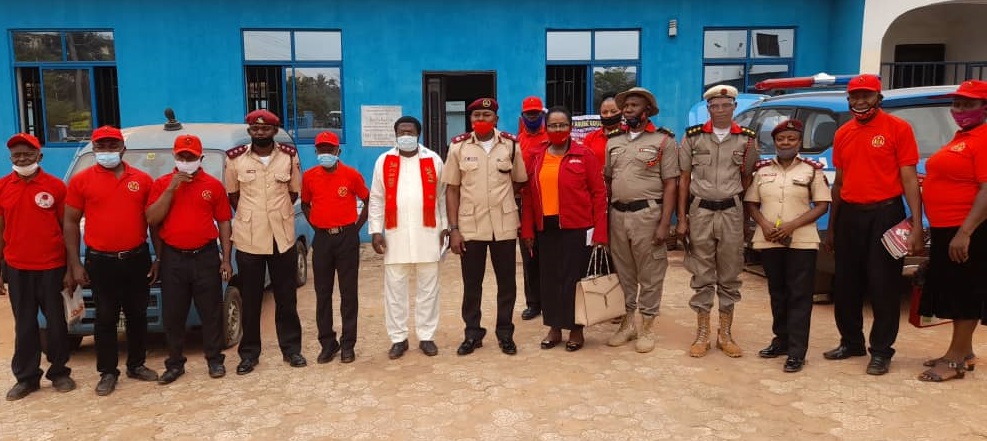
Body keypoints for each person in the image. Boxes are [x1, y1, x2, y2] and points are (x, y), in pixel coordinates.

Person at [823, 74, 923, 376]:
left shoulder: (898, 129)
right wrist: (832, 225)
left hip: (886, 215)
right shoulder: (843, 133)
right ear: (848, 100)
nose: (860, 101)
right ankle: (851, 341)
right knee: (845, 283)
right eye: (855, 96)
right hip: (851, 215)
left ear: (878, 98)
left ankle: (881, 351)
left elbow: (908, 179)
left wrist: (917, 225)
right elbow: (839, 182)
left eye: (866, 95)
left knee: (884, 286)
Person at [64, 125, 159, 396]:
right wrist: (75, 263)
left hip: (136, 258)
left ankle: (136, 364)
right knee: (105, 318)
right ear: (94, 149)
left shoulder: (142, 179)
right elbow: (70, 222)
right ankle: (107, 372)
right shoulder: (81, 180)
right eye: (101, 147)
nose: (107, 151)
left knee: (137, 315)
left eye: (112, 146)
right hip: (100, 261)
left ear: (123, 149)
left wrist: (158, 258)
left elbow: (153, 223)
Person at [677, 85, 758, 358]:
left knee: (730, 271)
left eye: (726, 105)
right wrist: (682, 218)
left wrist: (746, 219)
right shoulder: (694, 138)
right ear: (708, 109)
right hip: (700, 211)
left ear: (734, 107)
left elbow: (747, 180)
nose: (720, 110)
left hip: (732, 212)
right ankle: (702, 333)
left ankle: (726, 333)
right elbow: (683, 180)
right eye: (715, 106)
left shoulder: (746, 141)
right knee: (702, 272)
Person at [744, 120, 831, 373]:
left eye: (791, 139)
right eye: (781, 139)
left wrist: (792, 225)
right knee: (777, 293)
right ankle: (780, 341)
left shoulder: (811, 170)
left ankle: (796, 351)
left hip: (801, 240)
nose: (786, 143)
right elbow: (751, 203)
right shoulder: (762, 171)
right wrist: (764, 224)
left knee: (800, 296)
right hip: (769, 239)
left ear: (799, 142)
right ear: (775, 142)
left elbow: (822, 204)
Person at [146, 134, 233, 384]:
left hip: (205, 256)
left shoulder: (213, 186)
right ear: (174, 157)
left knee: (211, 312)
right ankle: (174, 364)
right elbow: (152, 219)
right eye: (182, 156)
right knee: (174, 314)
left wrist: (225, 258)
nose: (186, 161)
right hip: (174, 258)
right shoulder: (162, 183)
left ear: (200, 158)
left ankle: (215, 360)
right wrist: (172, 188)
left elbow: (224, 222)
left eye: (191, 157)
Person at [915, 80, 987, 382]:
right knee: (955, 288)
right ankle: (963, 351)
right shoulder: (964, 137)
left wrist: (966, 231)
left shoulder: (983, 139)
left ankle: (956, 361)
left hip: (968, 228)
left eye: (968, 105)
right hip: (948, 227)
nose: (959, 110)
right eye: (957, 104)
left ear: (984, 108)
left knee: (964, 292)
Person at [444, 97, 527, 356]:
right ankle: (472, 333)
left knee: (507, 284)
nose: (480, 120)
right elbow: (452, 190)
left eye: (486, 115)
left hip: (503, 225)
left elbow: (519, 182)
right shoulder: (458, 147)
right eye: (476, 115)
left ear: (496, 120)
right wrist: (454, 228)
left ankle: (505, 333)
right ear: (471, 120)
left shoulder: (511, 146)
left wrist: (500, 200)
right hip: (470, 227)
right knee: (472, 284)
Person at [224, 109, 306, 374]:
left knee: (286, 298)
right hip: (249, 239)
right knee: (251, 299)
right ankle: (249, 354)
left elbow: (293, 192)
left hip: (281, 238)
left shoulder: (289, 156)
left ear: (274, 130)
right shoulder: (235, 159)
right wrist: (255, 215)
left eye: (265, 129)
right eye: (255, 129)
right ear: (250, 131)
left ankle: (292, 350)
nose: (260, 133)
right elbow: (233, 195)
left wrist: (275, 214)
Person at [520, 106, 607, 352]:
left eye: (562, 125)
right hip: (545, 228)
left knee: (573, 280)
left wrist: (600, 232)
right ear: (546, 129)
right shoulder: (537, 156)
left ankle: (576, 328)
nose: (557, 129)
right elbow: (528, 196)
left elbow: (599, 194)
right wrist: (527, 230)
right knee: (548, 279)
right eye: (553, 125)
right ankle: (554, 327)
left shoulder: (585, 154)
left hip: (577, 227)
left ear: (570, 128)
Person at [603, 87, 679, 353]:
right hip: (617, 214)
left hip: (648, 215)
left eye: (633, 106)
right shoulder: (613, 141)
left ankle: (647, 325)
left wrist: (665, 223)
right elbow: (608, 180)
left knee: (650, 273)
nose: (627, 110)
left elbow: (671, 184)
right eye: (625, 106)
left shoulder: (664, 140)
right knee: (624, 272)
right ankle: (627, 323)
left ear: (647, 110)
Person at [1, 133, 75, 400]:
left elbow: (68, 230)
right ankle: (26, 377)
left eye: (27, 154)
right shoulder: (3, 186)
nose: (22, 159)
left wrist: (70, 268)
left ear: (39, 156)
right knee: (24, 324)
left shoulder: (55, 187)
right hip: (17, 267)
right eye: (17, 155)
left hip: (51, 267)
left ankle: (60, 372)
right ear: (11, 158)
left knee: (56, 323)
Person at [369, 116, 447, 359]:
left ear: (418, 134)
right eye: (401, 132)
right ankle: (398, 338)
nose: (405, 135)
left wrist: (445, 226)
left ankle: (426, 336)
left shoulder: (433, 159)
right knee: (395, 290)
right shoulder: (384, 161)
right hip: (395, 234)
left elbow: (443, 196)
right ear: (395, 134)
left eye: (410, 132)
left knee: (429, 288)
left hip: (428, 232)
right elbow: (376, 197)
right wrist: (375, 230)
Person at [301, 130, 368, 364]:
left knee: (349, 293)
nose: (326, 153)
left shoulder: (351, 175)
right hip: (322, 240)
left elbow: (367, 199)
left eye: (330, 149)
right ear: (316, 151)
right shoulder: (309, 176)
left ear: (338, 151)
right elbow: (305, 203)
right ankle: (328, 343)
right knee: (323, 293)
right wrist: (317, 224)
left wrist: (356, 228)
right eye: (322, 149)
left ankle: (348, 344)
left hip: (347, 238)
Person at [517, 96, 547, 322]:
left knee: (553, 255)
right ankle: (533, 302)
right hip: (524, 205)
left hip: (549, 203)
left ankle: (552, 300)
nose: (533, 118)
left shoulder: (552, 137)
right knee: (530, 254)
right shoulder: (516, 142)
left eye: (537, 114)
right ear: (523, 116)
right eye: (530, 114)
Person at [582, 97, 624, 165]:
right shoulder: (590, 138)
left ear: (621, 112)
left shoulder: (629, 134)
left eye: (613, 111)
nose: (609, 115)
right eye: (604, 112)